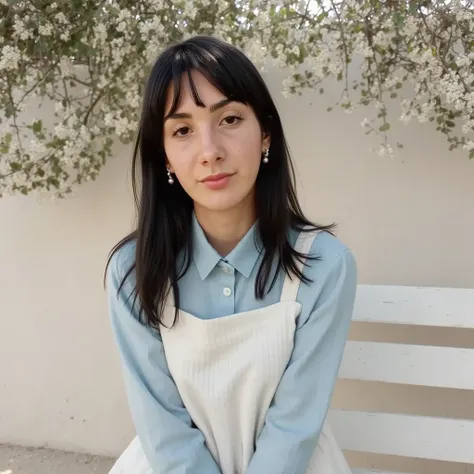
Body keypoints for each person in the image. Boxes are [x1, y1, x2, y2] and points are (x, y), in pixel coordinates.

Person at [105, 35, 357, 474]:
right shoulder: (133, 271)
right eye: (182, 130)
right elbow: (161, 424)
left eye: (230, 119)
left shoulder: (325, 265)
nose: (210, 152)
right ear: (163, 155)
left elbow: (295, 426)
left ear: (266, 133)